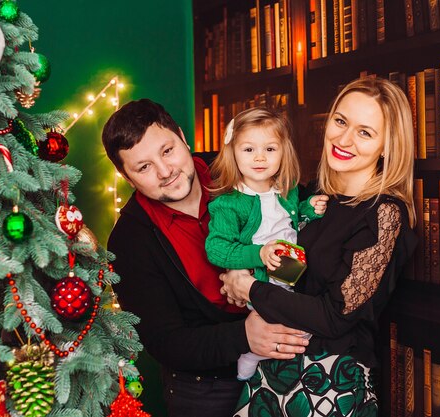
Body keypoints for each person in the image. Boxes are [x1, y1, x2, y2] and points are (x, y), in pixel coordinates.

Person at [220, 77, 417, 416]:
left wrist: (251, 289)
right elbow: (300, 277)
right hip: (272, 372)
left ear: (387, 145)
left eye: (365, 132)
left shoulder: (384, 213)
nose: (344, 139)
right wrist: (243, 273)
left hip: (330, 384)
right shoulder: (311, 197)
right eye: (340, 122)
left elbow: (333, 317)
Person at [101, 98, 311, 417]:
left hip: (292, 359)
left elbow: (300, 230)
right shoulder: (129, 241)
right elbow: (165, 342)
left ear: (184, 138)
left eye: (168, 150)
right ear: (128, 179)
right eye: (143, 167)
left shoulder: (239, 165)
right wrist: (244, 335)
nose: (165, 171)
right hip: (205, 389)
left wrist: (266, 285)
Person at [205, 107, 328, 381]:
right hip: (264, 281)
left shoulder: (287, 190)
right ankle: (251, 354)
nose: (260, 157)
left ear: (283, 152)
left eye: (270, 149)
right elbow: (216, 248)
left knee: (306, 324)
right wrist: (258, 254)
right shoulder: (229, 203)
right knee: (295, 328)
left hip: (294, 272)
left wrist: (309, 208)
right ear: (233, 152)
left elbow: (292, 221)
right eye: (248, 150)